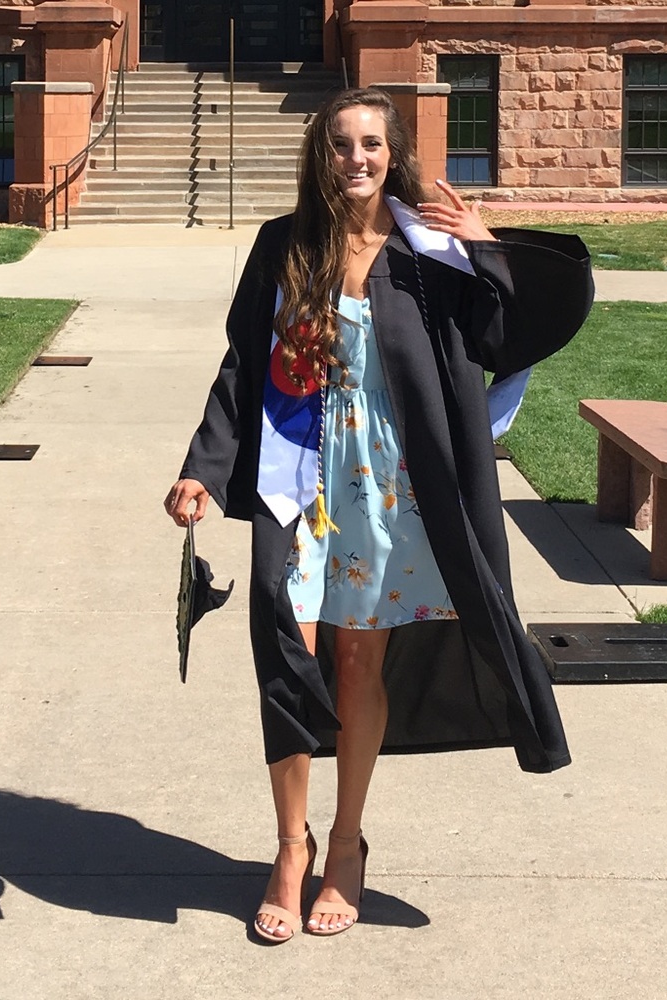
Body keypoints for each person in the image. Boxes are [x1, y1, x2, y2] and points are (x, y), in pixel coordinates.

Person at [164, 88, 593, 943]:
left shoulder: (428, 249)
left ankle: (346, 844)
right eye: (339, 144)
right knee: (288, 654)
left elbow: (511, 337)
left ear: (393, 155)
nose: (355, 158)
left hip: (392, 484)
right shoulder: (284, 245)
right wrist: (203, 468)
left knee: (360, 663)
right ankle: (291, 846)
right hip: (301, 477)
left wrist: (486, 250)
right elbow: (244, 363)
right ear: (320, 154)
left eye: (370, 144)